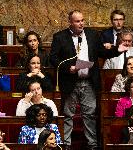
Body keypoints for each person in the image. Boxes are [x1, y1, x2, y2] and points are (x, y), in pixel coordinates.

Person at [49, 10, 128, 149]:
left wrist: (117, 50)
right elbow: (53, 59)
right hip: (69, 82)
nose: (81, 23)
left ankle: (92, 145)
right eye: (78, 21)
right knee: (67, 115)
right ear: (70, 22)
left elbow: (102, 53)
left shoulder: (92, 34)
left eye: (83, 20)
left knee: (90, 115)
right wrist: (69, 68)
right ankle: (66, 145)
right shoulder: (60, 37)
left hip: (89, 82)